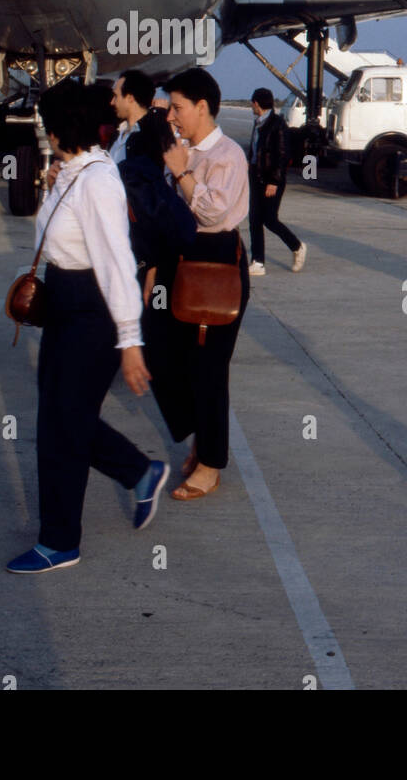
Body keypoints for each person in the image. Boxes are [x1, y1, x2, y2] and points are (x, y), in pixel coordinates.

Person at [7, 80, 166, 574]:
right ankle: (140, 471)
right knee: (61, 417)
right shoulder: (75, 172)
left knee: (61, 427)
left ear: (59, 129)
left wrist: (130, 341)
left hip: (91, 309)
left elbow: (118, 263)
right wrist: (55, 187)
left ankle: (60, 541)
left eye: (44, 123)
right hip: (64, 302)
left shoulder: (97, 180)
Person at [147, 67, 250, 501]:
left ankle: (210, 463)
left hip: (215, 262)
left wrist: (182, 173)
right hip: (179, 257)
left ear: (202, 107)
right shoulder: (185, 150)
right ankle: (198, 432)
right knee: (159, 349)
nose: (172, 116)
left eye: (178, 107)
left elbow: (212, 213)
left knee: (208, 368)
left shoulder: (226, 155)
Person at [116, 108, 197, 298]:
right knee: (157, 304)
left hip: (152, 261)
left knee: (156, 306)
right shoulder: (154, 182)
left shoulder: (140, 176)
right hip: (159, 264)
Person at [247, 87, 305, 276]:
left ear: (257, 103)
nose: (252, 107)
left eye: (252, 104)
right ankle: (258, 262)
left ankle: (297, 246)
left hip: (271, 179)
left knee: (269, 219)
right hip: (256, 176)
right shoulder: (258, 123)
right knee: (255, 219)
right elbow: (256, 151)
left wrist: (274, 181)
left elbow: (282, 155)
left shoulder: (277, 124)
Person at [109, 69, 154, 164]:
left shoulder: (151, 136)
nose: (112, 102)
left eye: (116, 96)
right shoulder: (118, 132)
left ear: (130, 98)